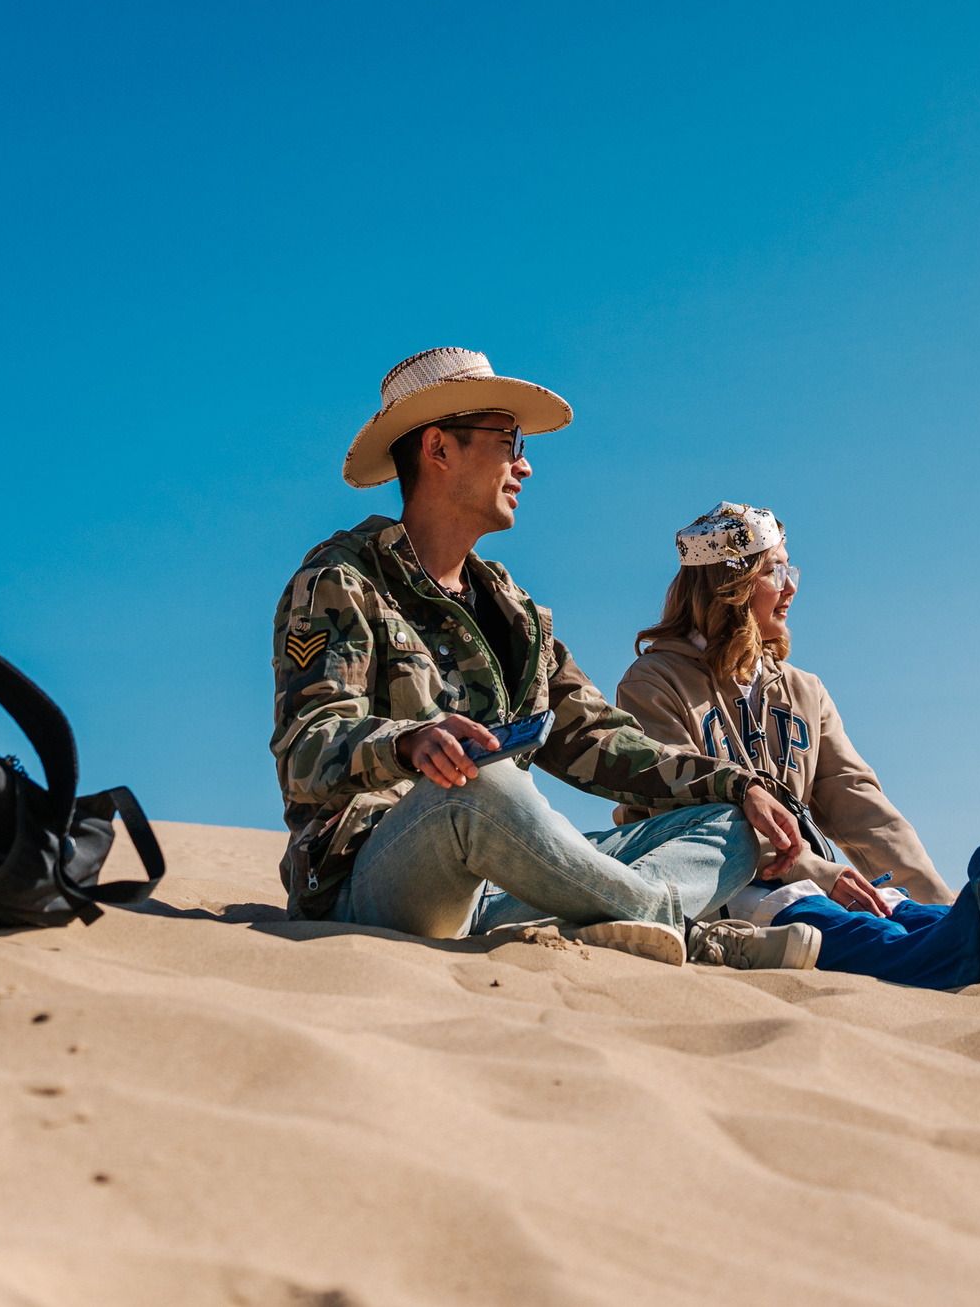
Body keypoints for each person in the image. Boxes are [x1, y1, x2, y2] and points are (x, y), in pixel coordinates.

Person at [269, 349, 813, 966]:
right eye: (510, 441)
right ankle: (684, 932)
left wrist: (735, 784)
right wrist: (409, 741)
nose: (524, 466)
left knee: (731, 822)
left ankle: (604, 919)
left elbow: (600, 740)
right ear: (439, 449)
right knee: (482, 782)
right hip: (374, 881)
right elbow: (307, 746)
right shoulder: (340, 580)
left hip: (500, 886)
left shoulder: (514, 612)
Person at [615, 503, 980, 994]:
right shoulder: (653, 683)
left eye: (789, 569)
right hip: (728, 891)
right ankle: (962, 954)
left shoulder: (804, 690)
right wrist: (820, 872)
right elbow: (696, 809)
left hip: (815, 877)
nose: (791, 586)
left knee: (901, 912)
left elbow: (861, 806)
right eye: (774, 570)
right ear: (731, 582)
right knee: (848, 928)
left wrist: (941, 902)